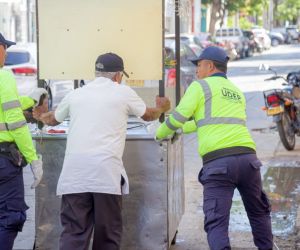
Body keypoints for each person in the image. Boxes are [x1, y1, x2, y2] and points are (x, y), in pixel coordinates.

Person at [33, 52, 171, 250]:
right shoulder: (122, 91)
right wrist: (161, 108)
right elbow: (148, 116)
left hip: (75, 176)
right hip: (106, 175)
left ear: (96, 73)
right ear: (117, 76)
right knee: (107, 236)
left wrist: (39, 115)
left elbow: (52, 119)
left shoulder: (76, 94)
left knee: (74, 234)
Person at [155, 46, 273, 250]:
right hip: (248, 160)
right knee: (258, 213)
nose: (197, 70)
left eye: (199, 65)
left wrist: (158, 133)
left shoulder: (200, 86)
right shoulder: (236, 91)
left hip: (219, 165)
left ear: (210, 66)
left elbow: (178, 117)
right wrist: (183, 128)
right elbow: (206, 122)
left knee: (216, 222)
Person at [0, 33, 45, 250]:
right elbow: (15, 124)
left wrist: (31, 99)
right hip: (3, 162)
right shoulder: (3, 77)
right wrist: (33, 158)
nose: (6, 53)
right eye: (5, 48)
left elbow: (6, 105)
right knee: (10, 217)